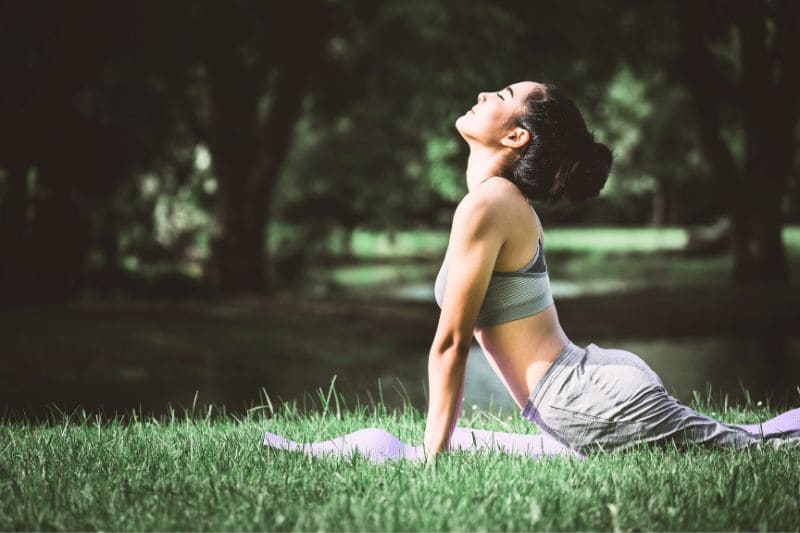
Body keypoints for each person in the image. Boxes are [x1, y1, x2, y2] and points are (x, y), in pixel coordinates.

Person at [264, 81, 800, 464]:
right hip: (578, 392)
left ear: (517, 137)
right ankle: (302, 452)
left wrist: (433, 460)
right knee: (747, 438)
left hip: (583, 399)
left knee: (756, 449)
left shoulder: (492, 203)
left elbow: (450, 343)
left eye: (499, 98)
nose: (482, 95)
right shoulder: (496, 201)